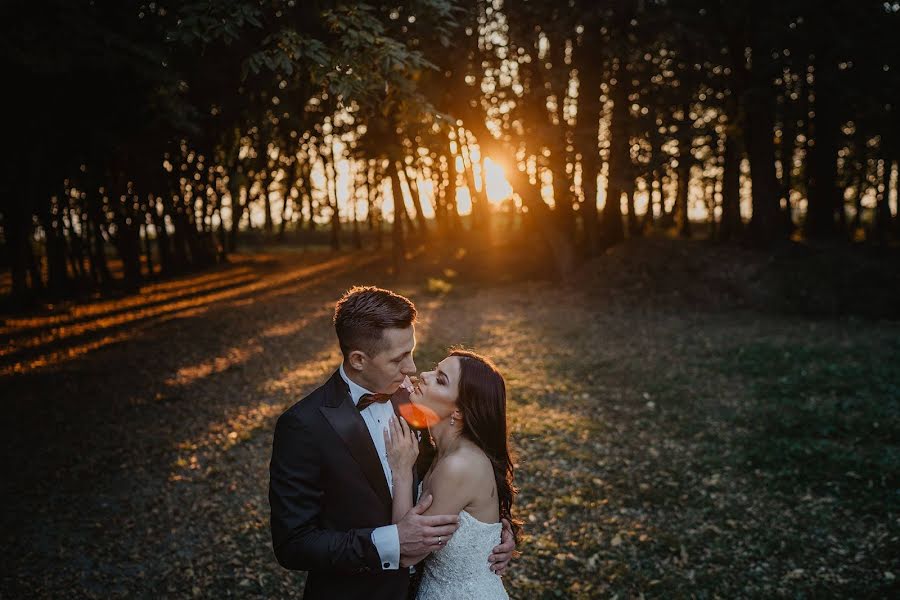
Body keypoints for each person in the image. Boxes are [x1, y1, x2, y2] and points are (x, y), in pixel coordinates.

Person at [269, 287, 515, 599]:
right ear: (359, 359)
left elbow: (455, 468)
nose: (412, 369)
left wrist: (490, 532)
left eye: (412, 351)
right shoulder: (304, 425)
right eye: (399, 358)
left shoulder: (412, 399)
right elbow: (294, 545)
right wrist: (391, 541)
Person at [385, 350, 520, 599]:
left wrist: (402, 473)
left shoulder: (457, 466)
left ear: (458, 411)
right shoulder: (446, 450)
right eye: (435, 369)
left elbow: (406, 554)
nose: (423, 375)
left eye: (441, 379)